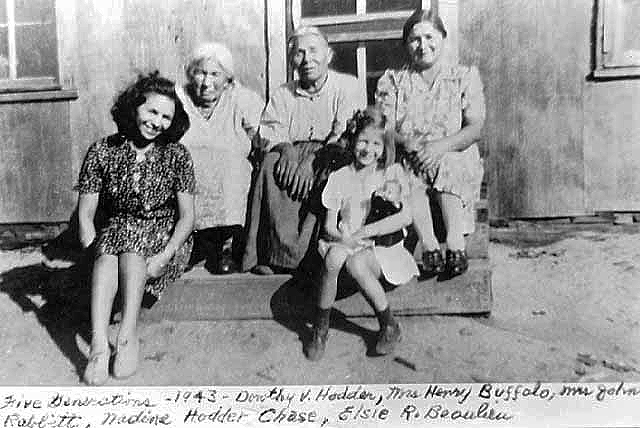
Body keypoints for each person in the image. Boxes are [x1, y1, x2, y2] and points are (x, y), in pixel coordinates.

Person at [77, 72, 195, 385]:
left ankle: (127, 336)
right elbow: (86, 215)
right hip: (116, 232)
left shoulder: (177, 155)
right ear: (134, 108)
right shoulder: (103, 151)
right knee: (115, 244)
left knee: (129, 245)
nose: (158, 122)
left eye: (167, 117)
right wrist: (94, 252)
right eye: (152, 111)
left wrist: (164, 256)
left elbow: (187, 218)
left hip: (165, 235)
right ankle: (100, 346)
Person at [242, 26, 364, 275]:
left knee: (329, 174)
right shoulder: (283, 92)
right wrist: (286, 149)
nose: (307, 59)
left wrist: (313, 161)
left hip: (331, 151)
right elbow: (271, 128)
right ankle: (272, 256)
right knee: (269, 165)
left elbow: (345, 131)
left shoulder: (347, 86)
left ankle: (309, 259)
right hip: (292, 150)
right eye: (299, 53)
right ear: (292, 60)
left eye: (313, 51)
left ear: (328, 55)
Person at [375, 8, 486, 278]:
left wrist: (440, 147)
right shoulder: (394, 81)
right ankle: (429, 244)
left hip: (453, 153)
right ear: (406, 45)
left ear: (443, 38)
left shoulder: (463, 77)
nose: (422, 45)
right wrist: (405, 141)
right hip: (410, 156)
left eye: (429, 37)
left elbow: (474, 128)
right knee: (406, 171)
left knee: (448, 161)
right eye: (415, 39)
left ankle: (455, 243)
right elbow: (384, 127)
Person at [307, 108, 419, 361]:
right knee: (334, 259)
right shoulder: (339, 177)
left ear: (385, 145)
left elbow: (405, 217)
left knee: (357, 264)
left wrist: (369, 231)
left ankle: (389, 324)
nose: (369, 149)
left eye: (376, 143)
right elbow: (329, 225)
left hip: (381, 247)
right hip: (348, 239)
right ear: (352, 140)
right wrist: (343, 238)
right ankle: (321, 328)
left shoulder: (390, 174)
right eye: (363, 141)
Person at [177, 42, 264, 274]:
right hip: (187, 169)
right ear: (190, 74)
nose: (206, 83)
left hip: (231, 168)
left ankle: (226, 247)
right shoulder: (179, 98)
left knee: (232, 166)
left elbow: (261, 134)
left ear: (227, 78)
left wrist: (256, 136)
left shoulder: (241, 98)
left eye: (215, 74)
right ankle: (192, 244)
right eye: (200, 73)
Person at [364, 179, 405, 247]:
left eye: (389, 192)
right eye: (384, 190)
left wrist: (396, 204)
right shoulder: (380, 200)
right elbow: (374, 203)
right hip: (378, 232)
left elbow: (397, 210)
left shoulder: (395, 206)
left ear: (397, 196)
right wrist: (375, 194)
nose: (385, 193)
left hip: (392, 236)